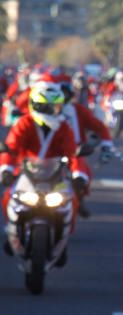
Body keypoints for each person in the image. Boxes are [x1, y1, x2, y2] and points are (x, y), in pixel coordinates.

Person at [1, 81, 86, 221]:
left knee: (71, 201)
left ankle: (62, 238)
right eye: (51, 107)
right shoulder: (24, 123)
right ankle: (12, 233)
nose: (56, 111)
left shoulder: (64, 126)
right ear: (40, 106)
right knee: (8, 197)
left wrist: (79, 175)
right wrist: (6, 170)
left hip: (56, 175)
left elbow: (72, 153)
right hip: (27, 173)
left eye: (58, 107)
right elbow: (11, 147)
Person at [57, 74, 115, 218]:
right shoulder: (31, 117)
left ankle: (78, 200)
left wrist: (106, 146)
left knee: (79, 177)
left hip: (74, 153)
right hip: (43, 157)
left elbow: (99, 127)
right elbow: (15, 142)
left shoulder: (78, 111)